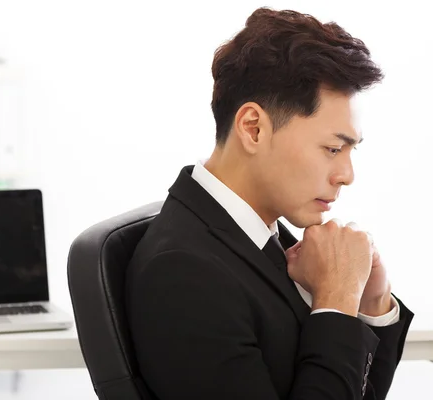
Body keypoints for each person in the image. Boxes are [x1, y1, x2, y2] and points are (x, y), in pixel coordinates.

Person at [125, 7, 414, 400]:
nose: (346, 174)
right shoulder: (182, 272)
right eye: (332, 148)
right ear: (253, 128)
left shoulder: (263, 235)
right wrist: (336, 299)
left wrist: (371, 301)